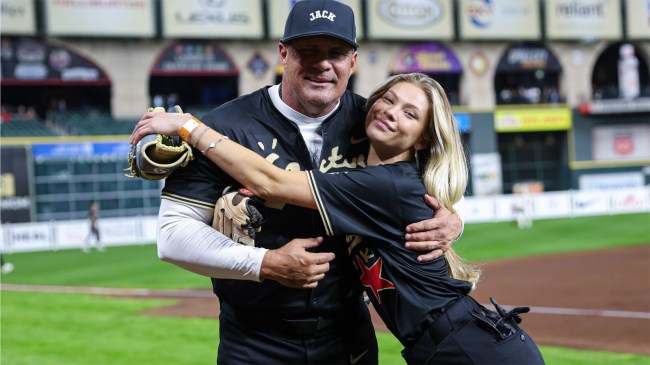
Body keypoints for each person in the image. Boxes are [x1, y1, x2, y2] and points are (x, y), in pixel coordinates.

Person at [132, 72, 545, 364]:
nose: (390, 112)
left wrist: (189, 127)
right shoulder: (380, 173)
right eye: (387, 100)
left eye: (410, 113)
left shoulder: (387, 184)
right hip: (440, 344)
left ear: (422, 137)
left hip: (469, 348)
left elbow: (272, 182)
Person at [132, 1, 463, 364]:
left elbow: (427, 177)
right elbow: (173, 234)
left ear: (353, 61)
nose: (323, 63)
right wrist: (264, 263)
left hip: (349, 335)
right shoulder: (225, 126)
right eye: (308, 51)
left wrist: (452, 217)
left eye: (336, 53)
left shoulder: (376, 122)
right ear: (283, 54)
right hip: (253, 339)